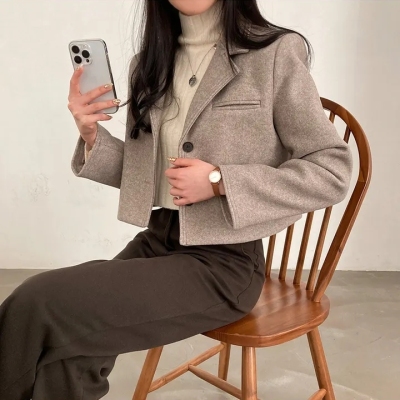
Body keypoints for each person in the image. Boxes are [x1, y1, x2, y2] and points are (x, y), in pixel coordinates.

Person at [0, 0, 353, 399]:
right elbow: (146, 176)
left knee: (39, 301)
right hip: (159, 241)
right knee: (66, 351)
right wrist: (91, 136)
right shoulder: (149, 65)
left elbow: (331, 170)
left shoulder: (274, 53)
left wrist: (220, 181)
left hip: (225, 262)